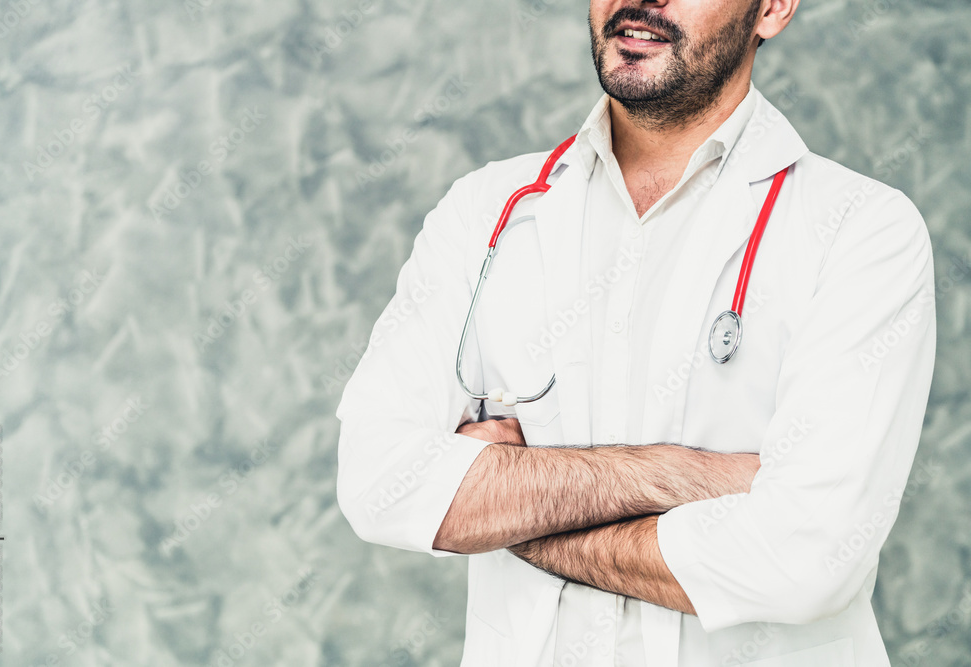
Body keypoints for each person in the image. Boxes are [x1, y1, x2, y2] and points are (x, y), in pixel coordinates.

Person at [335, 0, 937, 664]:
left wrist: (506, 510)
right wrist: (678, 475)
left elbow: (807, 558)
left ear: (772, 9)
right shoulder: (484, 212)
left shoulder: (860, 230)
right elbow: (379, 482)